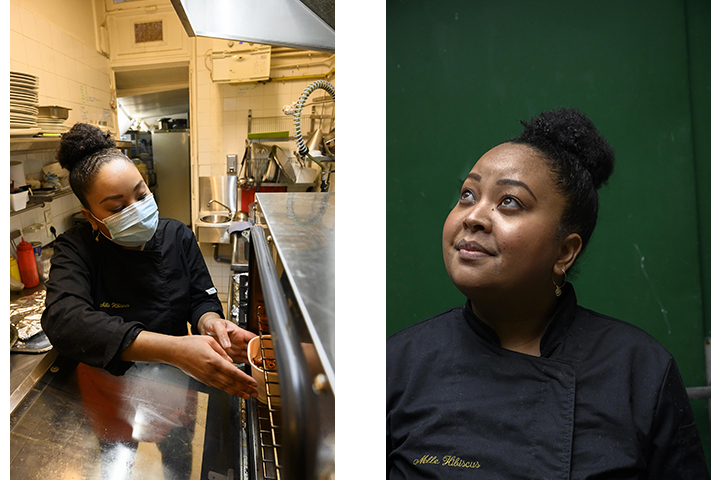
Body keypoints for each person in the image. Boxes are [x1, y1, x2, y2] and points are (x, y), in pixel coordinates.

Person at [386, 109, 709, 479]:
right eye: (467, 194)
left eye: (510, 201)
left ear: (564, 252)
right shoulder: (397, 365)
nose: (473, 216)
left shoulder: (640, 370)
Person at [41, 122, 258, 399]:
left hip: (177, 381)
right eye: (117, 207)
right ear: (90, 217)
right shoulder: (75, 248)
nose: (137, 210)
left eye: (141, 195)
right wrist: (175, 350)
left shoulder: (177, 235)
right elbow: (65, 321)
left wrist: (210, 322)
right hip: (110, 387)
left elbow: (200, 298)